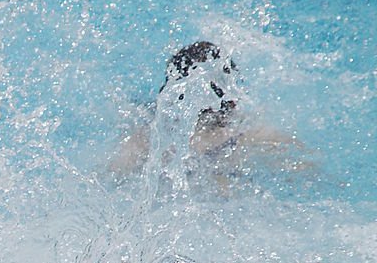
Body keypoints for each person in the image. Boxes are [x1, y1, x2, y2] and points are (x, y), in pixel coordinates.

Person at [111, 41, 304, 177]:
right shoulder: (249, 135)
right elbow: (305, 167)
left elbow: (110, 176)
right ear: (232, 99)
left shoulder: (147, 140)